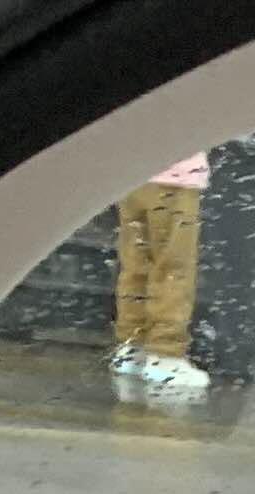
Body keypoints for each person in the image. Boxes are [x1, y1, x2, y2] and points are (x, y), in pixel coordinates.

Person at [111, 154, 211, 411]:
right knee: (173, 268)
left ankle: (132, 346)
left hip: (132, 176)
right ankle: (165, 355)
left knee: (136, 263)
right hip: (177, 176)